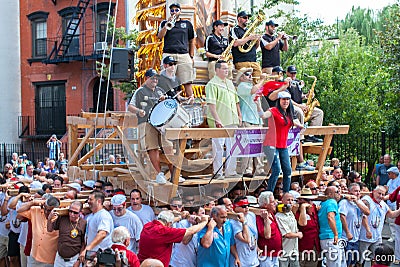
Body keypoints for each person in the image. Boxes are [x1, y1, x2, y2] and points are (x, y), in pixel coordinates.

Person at [128, 68, 172, 184]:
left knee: (169, 146)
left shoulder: (160, 91)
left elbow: (168, 105)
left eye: (156, 78)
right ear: (147, 78)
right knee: (153, 147)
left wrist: (165, 99)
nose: (155, 80)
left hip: (161, 123)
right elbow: (130, 107)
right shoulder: (140, 91)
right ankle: (159, 174)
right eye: (153, 78)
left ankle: (175, 174)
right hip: (146, 122)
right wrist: (138, 111)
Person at [258, 91, 303, 192]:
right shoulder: (273, 110)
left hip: (283, 146)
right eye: (283, 99)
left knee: (288, 171)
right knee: (276, 170)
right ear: (279, 100)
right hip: (271, 144)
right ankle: (269, 193)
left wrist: (300, 126)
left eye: (287, 99)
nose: (286, 101)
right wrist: (258, 104)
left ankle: (286, 193)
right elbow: (263, 115)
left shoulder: (289, 113)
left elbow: (296, 123)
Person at [205, 60, 241, 179]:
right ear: (217, 70)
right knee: (218, 147)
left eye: (227, 68)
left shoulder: (230, 83)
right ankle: (218, 172)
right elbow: (211, 104)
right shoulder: (212, 84)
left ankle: (231, 171)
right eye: (224, 68)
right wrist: (217, 119)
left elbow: (236, 101)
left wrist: (239, 115)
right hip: (220, 120)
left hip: (232, 119)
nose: (227, 70)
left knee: (233, 147)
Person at [138, 210, 208, 267]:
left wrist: (181, 217)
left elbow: (167, 220)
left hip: (142, 264)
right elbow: (190, 231)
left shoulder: (147, 226)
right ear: (168, 224)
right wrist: (204, 222)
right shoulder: (164, 232)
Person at [157, 2, 195, 101]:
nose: (174, 12)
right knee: (166, 80)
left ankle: (191, 101)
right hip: (169, 54)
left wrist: (191, 56)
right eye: (172, 10)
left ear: (180, 11)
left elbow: (192, 39)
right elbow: (160, 36)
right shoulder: (163, 23)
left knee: (187, 81)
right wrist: (166, 25)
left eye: (176, 10)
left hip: (183, 54)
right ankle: (167, 103)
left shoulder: (187, 24)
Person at [236, 67, 267, 178]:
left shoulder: (251, 85)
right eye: (247, 74)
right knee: (247, 146)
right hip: (247, 118)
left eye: (250, 74)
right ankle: (246, 169)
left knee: (259, 146)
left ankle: (259, 168)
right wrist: (262, 80)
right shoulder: (241, 86)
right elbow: (253, 91)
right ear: (242, 77)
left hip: (256, 119)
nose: (250, 76)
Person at [358, 186, 400, 265]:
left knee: (377, 259)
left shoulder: (383, 204)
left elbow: (391, 214)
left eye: (383, 194)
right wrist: (368, 230)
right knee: (360, 260)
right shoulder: (366, 200)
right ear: (374, 192)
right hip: (364, 237)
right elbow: (364, 216)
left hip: (377, 237)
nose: (381, 196)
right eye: (379, 193)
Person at [18, 195, 60, 266]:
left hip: (49, 260)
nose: (46, 212)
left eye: (49, 210)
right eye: (45, 208)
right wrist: (33, 202)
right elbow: (19, 210)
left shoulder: (61, 218)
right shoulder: (36, 211)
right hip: (34, 256)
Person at [286, 65, 323, 143]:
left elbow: (300, 96)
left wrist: (307, 96)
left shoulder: (298, 82)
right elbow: (288, 99)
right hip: (292, 107)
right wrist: (300, 106)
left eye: (294, 73)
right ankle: (301, 137)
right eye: (291, 73)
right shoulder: (286, 83)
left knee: (319, 113)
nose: (293, 75)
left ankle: (311, 135)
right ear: (287, 73)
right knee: (299, 111)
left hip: (300, 105)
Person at [338, 183, 370, 267]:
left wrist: (356, 201)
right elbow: (342, 217)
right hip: (346, 239)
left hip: (356, 238)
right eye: (355, 191)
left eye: (359, 191)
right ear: (349, 192)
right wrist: (348, 232)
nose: (358, 193)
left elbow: (367, 212)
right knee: (346, 262)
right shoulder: (344, 202)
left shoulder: (359, 202)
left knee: (353, 262)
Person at [47, 200, 86, 267]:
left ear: (80, 212)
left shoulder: (83, 223)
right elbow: (49, 229)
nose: (72, 214)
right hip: (59, 259)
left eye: (75, 213)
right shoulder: (62, 218)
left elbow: (83, 243)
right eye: (70, 211)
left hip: (73, 260)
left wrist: (78, 261)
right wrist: (49, 219)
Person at [80, 191, 114, 261]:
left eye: (91, 199)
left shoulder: (103, 215)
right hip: (92, 256)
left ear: (98, 201)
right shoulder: (91, 215)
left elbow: (102, 234)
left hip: (102, 257)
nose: (88, 201)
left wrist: (87, 249)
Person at [318, 186, 346, 267]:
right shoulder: (331, 202)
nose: (339, 193)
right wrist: (336, 234)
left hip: (330, 238)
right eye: (337, 192)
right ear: (330, 194)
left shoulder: (323, 203)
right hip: (331, 238)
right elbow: (330, 216)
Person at [231, 11, 262, 79]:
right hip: (241, 61)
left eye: (248, 18)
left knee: (259, 80)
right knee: (244, 81)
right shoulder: (234, 29)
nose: (247, 19)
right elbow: (235, 43)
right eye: (245, 17)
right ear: (239, 19)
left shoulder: (250, 31)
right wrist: (249, 38)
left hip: (253, 61)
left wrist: (257, 40)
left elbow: (255, 47)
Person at [295, 187, 321, 267]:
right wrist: (303, 208)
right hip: (303, 246)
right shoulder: (297, 210)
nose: (310, 202)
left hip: (314, 245)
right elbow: (302, 224)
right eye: (307, 200)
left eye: (310, 200)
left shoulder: (314, 207)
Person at [275, 192, 302, 267]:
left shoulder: (290, 213)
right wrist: (298, 234)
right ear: (282, 201)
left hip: (294, 251)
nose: (290, 202)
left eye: (292, 200)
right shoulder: (279, 216)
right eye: (288, 200)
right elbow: (286, 234)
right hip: (284, 252)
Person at [256, 191, 282, 267]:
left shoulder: (271, 213)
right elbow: (267, 235)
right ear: (265, 205)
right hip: (266, 255)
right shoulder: (259, 217)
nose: (275, 203)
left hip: (275, 253)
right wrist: (266, 219)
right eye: (272, 202)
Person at [231, 196, 258, 267]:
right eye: (243, 206)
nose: (247, 208)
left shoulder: (251, 215)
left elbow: (254, 235)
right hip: (242, 262)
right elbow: (246, 239)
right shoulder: (233, 221)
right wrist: (244, 223)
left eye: (248, 205)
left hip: (254, 260)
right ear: (235, 207)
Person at [385, 166, 400, 243]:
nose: (388, 175)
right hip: (389, 201)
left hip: (395, 203)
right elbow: (387, 189)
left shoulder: (399, 180)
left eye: (389, 173)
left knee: (394, 219)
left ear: (394, 174)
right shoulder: (390, 180)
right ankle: (393, 235)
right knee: (391, 221)